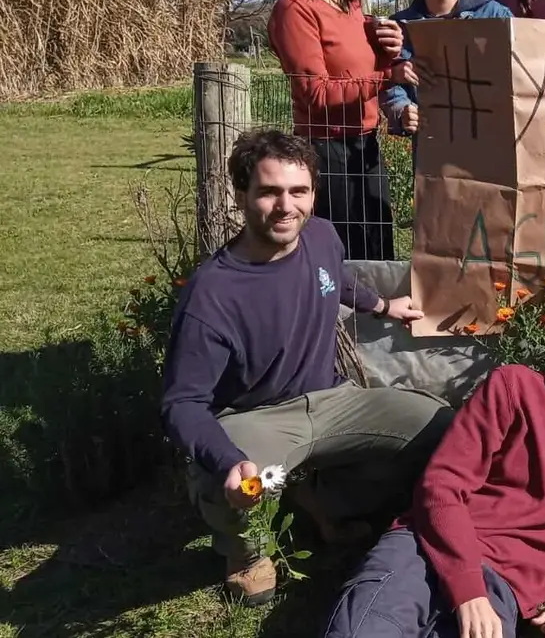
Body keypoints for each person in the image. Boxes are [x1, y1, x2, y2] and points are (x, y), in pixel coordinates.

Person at [161, 129, 454, 606]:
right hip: (256, 418)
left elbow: (331, 278)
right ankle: (248, 553)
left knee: (445, 428)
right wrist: (228, 459)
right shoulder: (211, 295)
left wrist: (381, 304)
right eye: (269, 192)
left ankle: (324, 502)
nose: (286, 206)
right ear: (240, 195)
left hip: (333, 398)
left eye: (299, 192)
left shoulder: (319, 235)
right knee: (232, 481)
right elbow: (182, 403)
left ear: (313, 194)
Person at [323, 301, 545, 638]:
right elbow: (441, 486)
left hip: (505, 584)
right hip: (424, 548)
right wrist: (468, 590)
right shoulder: (516, 388)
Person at [268, 0, 400, 261]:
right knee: (342, 260)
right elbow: (317, 94)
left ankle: (376, 320)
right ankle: (338, 322)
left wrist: (388, 44)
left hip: (364, 145)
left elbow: (359, 66)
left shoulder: (352, 2)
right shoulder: (295, 9)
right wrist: (387, 77)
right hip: (326, 149)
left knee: (377, 251)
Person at [380, 0, 513, 141]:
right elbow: (386, 82)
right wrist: (402, 109)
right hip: (433, 155)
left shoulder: (495, 16)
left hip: (494, 145)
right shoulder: (400, 27)